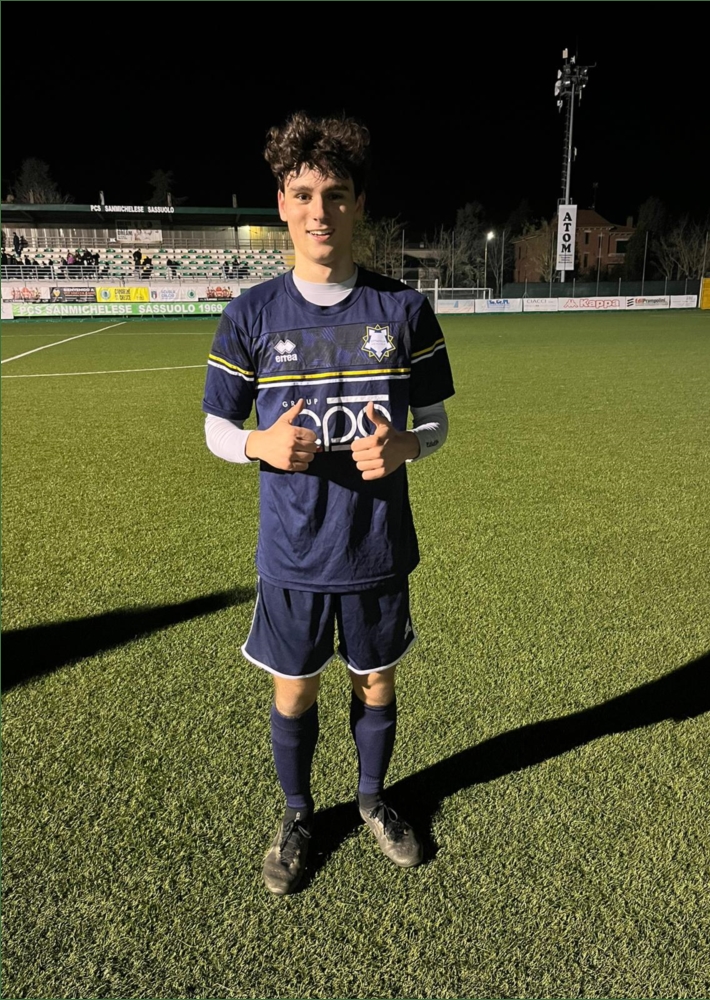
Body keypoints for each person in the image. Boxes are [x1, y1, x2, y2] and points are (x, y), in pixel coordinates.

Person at [202, 112, 454, 895]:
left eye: (336, 194)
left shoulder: (403, 309)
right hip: (293, 551)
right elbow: (216, 427)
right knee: (296, 687)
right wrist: (259, 444)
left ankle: (373, 802)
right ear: (282, 203)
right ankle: (299, 814)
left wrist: (406, 445)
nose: (320, 211)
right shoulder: (250, 314)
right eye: (304, 194)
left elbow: (436, 423)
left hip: (376, 543)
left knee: (375, 682)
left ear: (358, 204)